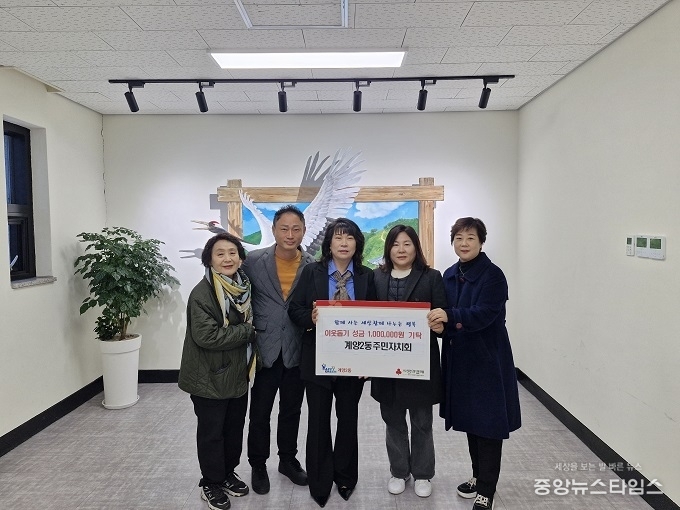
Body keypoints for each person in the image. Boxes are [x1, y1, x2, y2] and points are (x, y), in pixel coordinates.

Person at [427, 217, 521, 510]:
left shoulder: (493, 276)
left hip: (487, 360)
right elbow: (444, 315)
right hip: (460, 361)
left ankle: (487, 490)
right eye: (459, 238)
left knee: (488, 425)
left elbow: (485, 313)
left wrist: (450, 317)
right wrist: (439, 326)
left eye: (470, 238)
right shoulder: (450, 274)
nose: (464, 243)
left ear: (481, 242)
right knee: (471, 422)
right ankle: (478, 476)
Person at [288, 218, 377, 508]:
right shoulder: (311, 272)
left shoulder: (366, 276)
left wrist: (370, 362)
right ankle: (319, 481)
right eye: (338, 237)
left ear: (357, 244)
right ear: (329, 244)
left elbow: (376, 319)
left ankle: (346, 477)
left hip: (354, 361)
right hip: (318, 360)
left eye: (349, 238)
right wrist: (311, 318)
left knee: (348, 419)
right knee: (318, 421)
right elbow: (295, 310)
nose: (343, 243)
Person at [178, 233, 255, 510]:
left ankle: (227, 473)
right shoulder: (203, 293)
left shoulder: (243, 288)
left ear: (241, 258)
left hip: (236, 374)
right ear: (209, 259)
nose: (227, 258)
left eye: (232, 253)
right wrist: (247, 331)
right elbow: (207, 337)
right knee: (212, 433)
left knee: (233, 429)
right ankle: (210, 482)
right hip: (208, 377)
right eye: (220, 253)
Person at [242, 205, 315, 494]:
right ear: (273, 230)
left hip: (297, 348)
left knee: (291, 410)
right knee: (259, 412)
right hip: (265, 348)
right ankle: (258, 464)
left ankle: (287, 460)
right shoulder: (253, 261)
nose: (290, 234)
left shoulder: (312, 265)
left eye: (296, 229)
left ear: (304, 231)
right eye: (284, 228)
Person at [370, 224, 447, 498]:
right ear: (388, 248)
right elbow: (365, 319)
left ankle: (423, 474)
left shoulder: (431, 277)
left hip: (420, 363)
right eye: (395, 244)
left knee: (422, 421)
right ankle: (399, 471)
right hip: (385, 363)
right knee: (393, 420)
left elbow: (443, 317)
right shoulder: (376, 277)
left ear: (416, 247)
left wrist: (439, 325)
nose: (401, 250)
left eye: (407, 244)